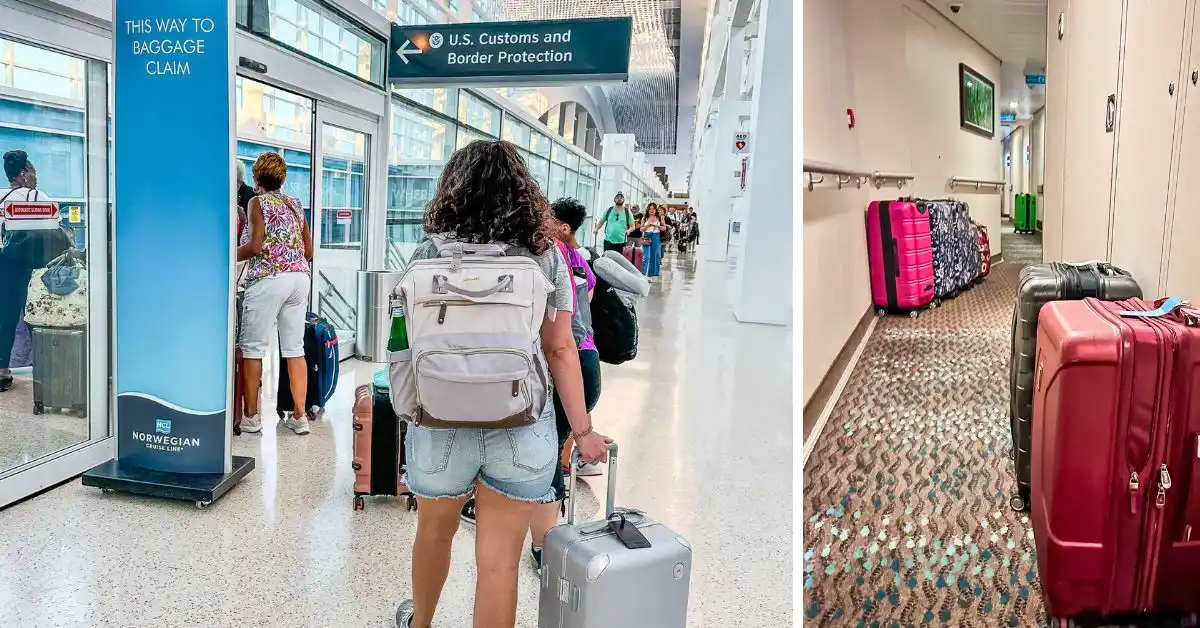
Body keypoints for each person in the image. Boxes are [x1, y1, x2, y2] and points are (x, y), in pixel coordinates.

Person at [394, 141, 611, 628]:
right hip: (520, 422)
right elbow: (560, 349)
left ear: (455, 187)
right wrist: (582, 430)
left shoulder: (429, 250)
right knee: (498, 564)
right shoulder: (544, 252)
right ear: (523, 190)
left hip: (440, 418)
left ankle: (420, 623)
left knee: (433, 533)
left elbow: (408, 338)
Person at [236, 152, 313, 435]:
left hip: (270, 279)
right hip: (298, 279)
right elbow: (309, 251)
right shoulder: (294, 203)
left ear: (257, 178)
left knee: (253, 349)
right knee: (295, 349)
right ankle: (300, 417)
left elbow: (255, 246)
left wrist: (226, 255)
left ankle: (252, 418)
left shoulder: (257, 202)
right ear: (282, 178)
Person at [0, 150, 69, 392]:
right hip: (33, 267)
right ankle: (49, 367)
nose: (35, 177)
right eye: (33, 173)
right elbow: (56, 230)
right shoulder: (35, 195)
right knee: (39, 317)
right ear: (23, 175)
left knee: (5, 319)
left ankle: (2, 371)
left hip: (5, 266)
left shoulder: (1, 197)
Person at [639, 203, 665, 280]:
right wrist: (647, 225)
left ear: (656, 210)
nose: (651, 210)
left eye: (653, 209)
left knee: (654, 255)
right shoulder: (644, 218)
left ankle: (651, 275)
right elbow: (641, 229)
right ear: (648, 209)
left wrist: (657, 226)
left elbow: (664, 228)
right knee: (646, 256)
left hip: (656, 236)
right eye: (650, 209)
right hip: (646, 236)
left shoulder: (660, 217)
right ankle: (643, 273)